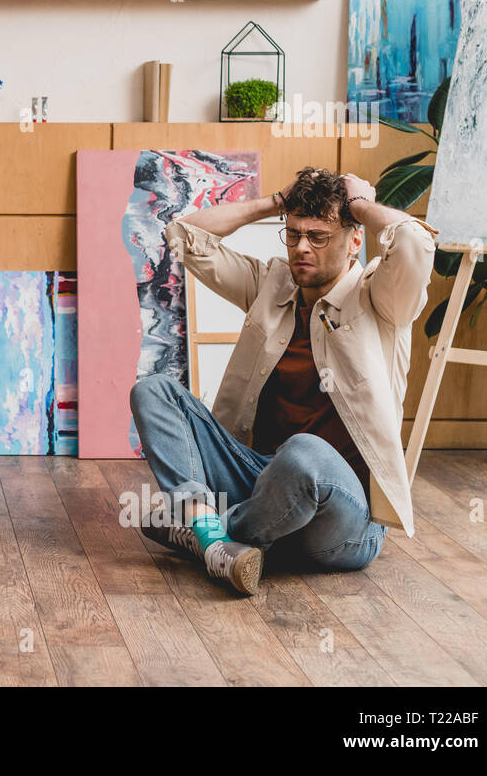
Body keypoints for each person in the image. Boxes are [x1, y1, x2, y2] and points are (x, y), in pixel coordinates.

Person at [129, 167, 436, 594]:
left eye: (319, 236)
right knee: (153, 391)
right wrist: (273, 201)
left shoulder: (382, 297)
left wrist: (359, 205)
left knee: (304, 454)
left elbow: (415, 244)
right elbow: (183, 234)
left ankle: (205, 532)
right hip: (260, 481)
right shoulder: (271, 285)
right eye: (293, 234)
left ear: (354, 241)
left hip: (344, 517)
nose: (302, 248)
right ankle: (218, 541)